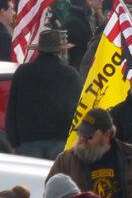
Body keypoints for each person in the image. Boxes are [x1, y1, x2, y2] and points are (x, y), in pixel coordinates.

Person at [5, 29, 81, 159]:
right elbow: (77, 109)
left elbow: (12, 109)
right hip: (60, 139)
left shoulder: (22, 73)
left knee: (31, 179)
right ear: (60, 51)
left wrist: (13, 141)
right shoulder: (70, 74)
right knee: (56, 178)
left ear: (39, 50)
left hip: (29, 140)